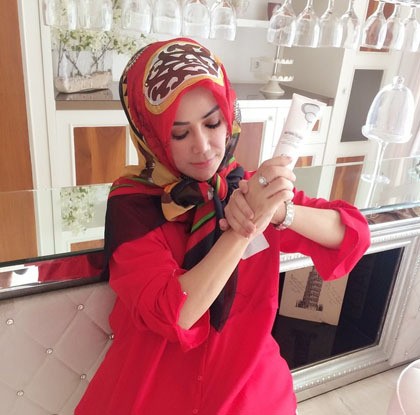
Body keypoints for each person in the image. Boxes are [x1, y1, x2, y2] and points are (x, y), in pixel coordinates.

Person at [75, 38, 370, 415]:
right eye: (180, 133)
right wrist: (244, 228)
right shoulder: (133, 205)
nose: (203, 146)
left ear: (229, 116)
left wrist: (281, 212)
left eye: (212, 123)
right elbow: (175, 313)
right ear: (152, 136)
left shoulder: (246, 186)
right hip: (157, 388)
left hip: (248, 388)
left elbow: (351, 235)